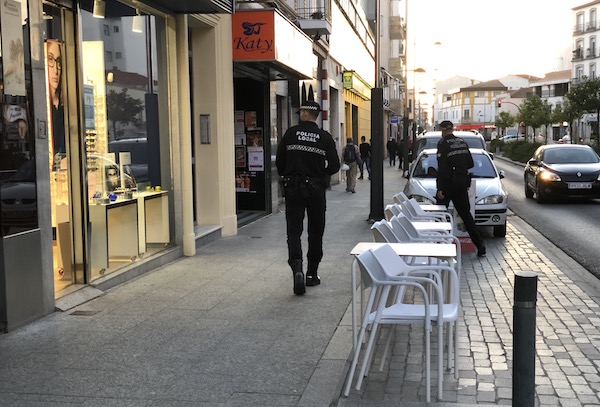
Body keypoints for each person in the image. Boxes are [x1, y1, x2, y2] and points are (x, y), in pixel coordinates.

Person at [276, 101, 340, 295]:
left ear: (305, 113)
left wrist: (289, 173)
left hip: (293, 188)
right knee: (315, 231)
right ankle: (312, 273)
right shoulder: (324, 137)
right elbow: (335, 166)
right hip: (316, 189)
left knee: (294, 231)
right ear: (317, 116)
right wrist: (321, 175)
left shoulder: (290, 134)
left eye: (300, 111)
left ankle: (297, 269)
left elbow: (280, 162)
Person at [435, 120, 486, 257]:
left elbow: (442, 168)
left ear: (443, 130)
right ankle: (480, 246)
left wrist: (440, 188)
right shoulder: (462, 142)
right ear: (452, 129)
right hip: (462, 182)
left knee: (439, 214)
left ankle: (438, 245)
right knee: (466, 215)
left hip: (448, 183)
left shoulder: (443, 143)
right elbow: (470, 163)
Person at [47, 40, 65, 165]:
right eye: (50, 59)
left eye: (58, 62)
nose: (55, 70)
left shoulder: (63, 105)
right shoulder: (45, 106)